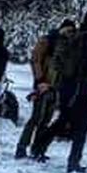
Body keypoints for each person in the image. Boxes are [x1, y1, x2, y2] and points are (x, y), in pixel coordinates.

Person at [32, 11, 87, 173]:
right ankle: (73, 163)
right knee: (81, 126)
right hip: (82, 88)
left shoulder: (77, 36)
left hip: (67, 86)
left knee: (63, 119)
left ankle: (38, 146)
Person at [14, 21, 69, 159]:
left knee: (46, 119)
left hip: (55, 86)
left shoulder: (67, 45)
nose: (70, 33)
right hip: (43, 84)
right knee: (36, 118)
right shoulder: (48, 41)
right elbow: (36, 60)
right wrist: (40, 80)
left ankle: (37, 148)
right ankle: (22, 147)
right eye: (68, 30)